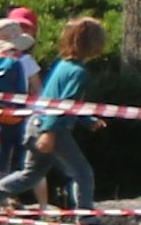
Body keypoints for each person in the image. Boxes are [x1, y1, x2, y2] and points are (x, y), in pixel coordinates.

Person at [0, 8, 47, 202]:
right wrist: (41, 112)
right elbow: (38, 90)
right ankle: (40, 205)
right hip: (17, 112)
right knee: (25, 156)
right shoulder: (26, 60)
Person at [33, 13, 109, 210]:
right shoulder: (79, 73)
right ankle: (85, 215)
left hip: (36, 122)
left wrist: (87, 119)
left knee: (30, 174)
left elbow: (66, 102)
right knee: (82, 173)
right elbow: (64, 103)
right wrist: (49, 132)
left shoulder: (62, 65)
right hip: (54, 129)